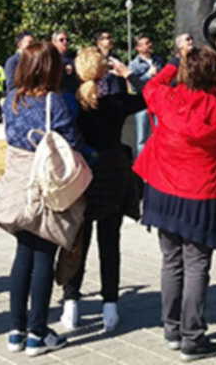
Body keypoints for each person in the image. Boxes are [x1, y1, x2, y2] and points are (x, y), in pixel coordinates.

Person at [133, 47, 216, 361]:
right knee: (196, 264)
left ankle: (171, 328)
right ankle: (192, 336)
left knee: (171, 260)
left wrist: (172, 64)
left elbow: (150, 86)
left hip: (164, 187)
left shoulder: (167, 97)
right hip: (202, 192)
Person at [0, 41, 90, 356]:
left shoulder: (11, 100)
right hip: (45, 183)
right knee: (44, 254)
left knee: (23, 254)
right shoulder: (52, 102)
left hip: (17, 184)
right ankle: (37, 332)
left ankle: (15, 330)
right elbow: (71, 141)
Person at [59, 47, 147, 333]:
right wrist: (128, 73)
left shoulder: (69, 104)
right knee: (110, 243)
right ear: (103, 73)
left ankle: (71, 303)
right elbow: (150, 95)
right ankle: (110, 305)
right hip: (113, 174)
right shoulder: (115, 102)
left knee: (76, 242)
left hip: (81, 175)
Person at [128, 34, 164, 158]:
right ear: (138, 48)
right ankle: (141, 166)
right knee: (142, 139)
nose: (150, 45)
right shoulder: (134, 65)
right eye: (146, 43)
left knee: (160, 135)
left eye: (150, 42)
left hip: (158, 102)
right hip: (142, 103)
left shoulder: (158, 61)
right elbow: (133, 86)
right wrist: (148, 75)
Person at [52, 30, 79, 116]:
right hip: (60, 95)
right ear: (54, 42)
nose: (65, 42)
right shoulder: (51, 58)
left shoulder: (72, 57)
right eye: (61, 40)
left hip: (75, 94)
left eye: (67, 40)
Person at [94, 30, 127, 96]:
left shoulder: (115, 58)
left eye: (111, 38)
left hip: (119, 94)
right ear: (99, 41)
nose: (111, 40)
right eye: (108, 38)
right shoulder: (95, 58)